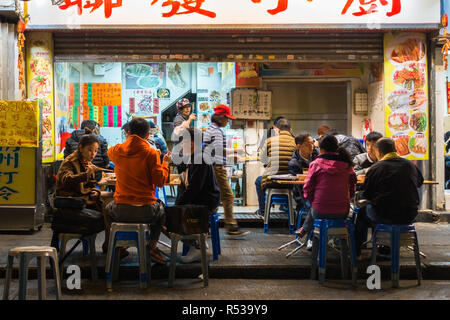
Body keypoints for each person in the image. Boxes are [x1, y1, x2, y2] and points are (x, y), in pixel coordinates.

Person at [105, 118, 172, 264]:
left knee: (106, 209)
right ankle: (152, 246)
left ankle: (113, 245)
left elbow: (109, 152)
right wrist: (165, 164)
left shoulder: (117, 150)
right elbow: (160, 182)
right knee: (161, 212)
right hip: (146, 211)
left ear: (128, 133)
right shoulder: (151, 153)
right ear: (148, 135)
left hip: (120, 210)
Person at [354, 138, 424, 257]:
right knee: (378, 206)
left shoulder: (376, 169)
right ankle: (384, 247)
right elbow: (419, 182)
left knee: (362, 214)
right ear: (395, 149)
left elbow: (367, 195)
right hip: (409, 215)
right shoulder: (410, 165)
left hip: (384, 215)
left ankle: (356, 253)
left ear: (379, 152)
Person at [295, 134, 357, 239]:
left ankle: (310, 238)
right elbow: (352, 187)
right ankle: (337, 243)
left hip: (320, 211)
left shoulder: (316, 164)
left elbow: (307, 188)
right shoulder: (347, 165)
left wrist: (313, 202)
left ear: (320, 149)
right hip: (343, 211)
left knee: (315, 208)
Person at [175, 127, 221, 263]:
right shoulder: (194, 156)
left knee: (170, 217)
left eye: (182, 143)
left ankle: (198, 247)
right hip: (201, 198)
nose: (181, 147)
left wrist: (177, 205)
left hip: (205, 202)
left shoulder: (200, 159)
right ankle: (196, 243)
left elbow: (194, 188)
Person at [203, 104, 249, 238]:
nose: (228, 121)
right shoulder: (216, 131)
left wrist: (231, 156)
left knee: (212, 198)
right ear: (220, 118)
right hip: (216, 168)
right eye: (227, 118)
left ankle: (206, 227)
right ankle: (231, 226)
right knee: (228, 196)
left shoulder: (210, 129)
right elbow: (218, 150)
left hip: (211, 166)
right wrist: (236, 151)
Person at [255, 118, 296, 218]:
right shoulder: (296, 142)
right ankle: (293, 210)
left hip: (272, 181)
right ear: (290, 130)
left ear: (276, 129)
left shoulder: (269, 141)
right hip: (292, 183)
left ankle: (262, 211)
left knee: (258, 181)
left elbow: (263, 160)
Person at [55, 134, 104, 213]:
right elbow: (66, 179)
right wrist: (86, 174)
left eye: (96, 151)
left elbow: (91, 184)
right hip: (70, 199)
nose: (93, 154)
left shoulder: (87, 161)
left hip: (82, 198)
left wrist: (96, 191)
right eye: (90, 150)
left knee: (103, 205)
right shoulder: (70, 161)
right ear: (81, 148)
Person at [288, 132, 319, 211]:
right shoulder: (294, 163)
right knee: (315, 208)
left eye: (312, 143)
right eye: (307, 144)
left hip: (319, 192)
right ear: (299, 146)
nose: (311, 146)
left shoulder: (318, 155)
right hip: (304, 196)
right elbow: (299, 188)